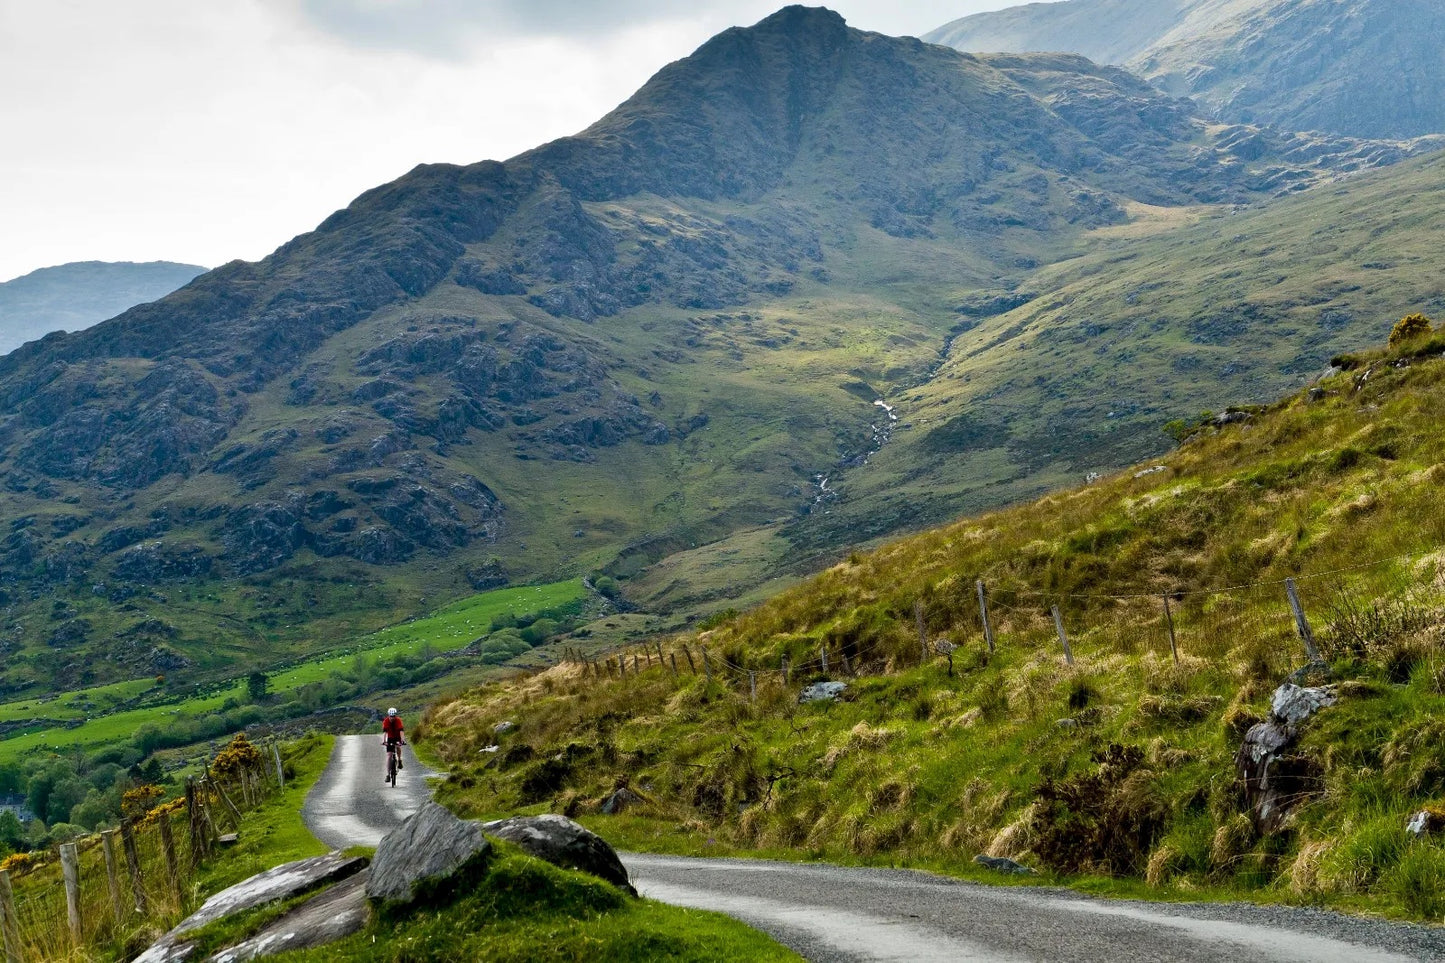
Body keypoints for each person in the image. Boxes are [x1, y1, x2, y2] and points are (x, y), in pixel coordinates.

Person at [381, 707, 404, 776]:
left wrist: (402, 740)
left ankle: (399, 760)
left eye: (393, 716)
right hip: (390, 738)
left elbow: (401, 731)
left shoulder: (398, 720)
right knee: (389, 756)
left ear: (395, 716)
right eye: (391, 716)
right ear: (389, 715)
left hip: (397, 737)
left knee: (398, 747)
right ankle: (388, 775)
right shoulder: (385, 721)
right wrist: (384, 741)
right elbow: (385, 732)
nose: (392, 718)